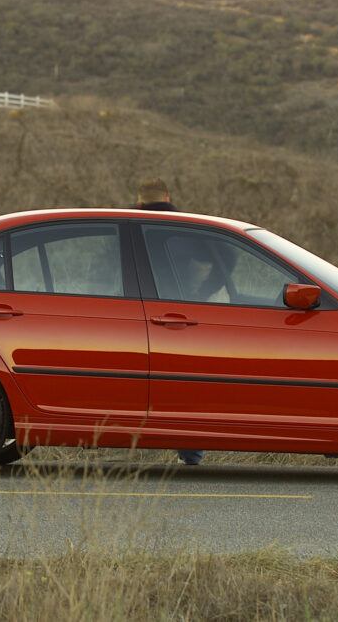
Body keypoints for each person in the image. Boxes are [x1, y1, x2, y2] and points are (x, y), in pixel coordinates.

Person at [135, 178, 205, 467]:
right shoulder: (186, 228)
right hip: (184, 315)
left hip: (134, 315)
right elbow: (219, 259)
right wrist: (206, 292)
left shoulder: (127, 226)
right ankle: (190, 454)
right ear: (166, 197)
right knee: (187, 383)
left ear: (140, 200)